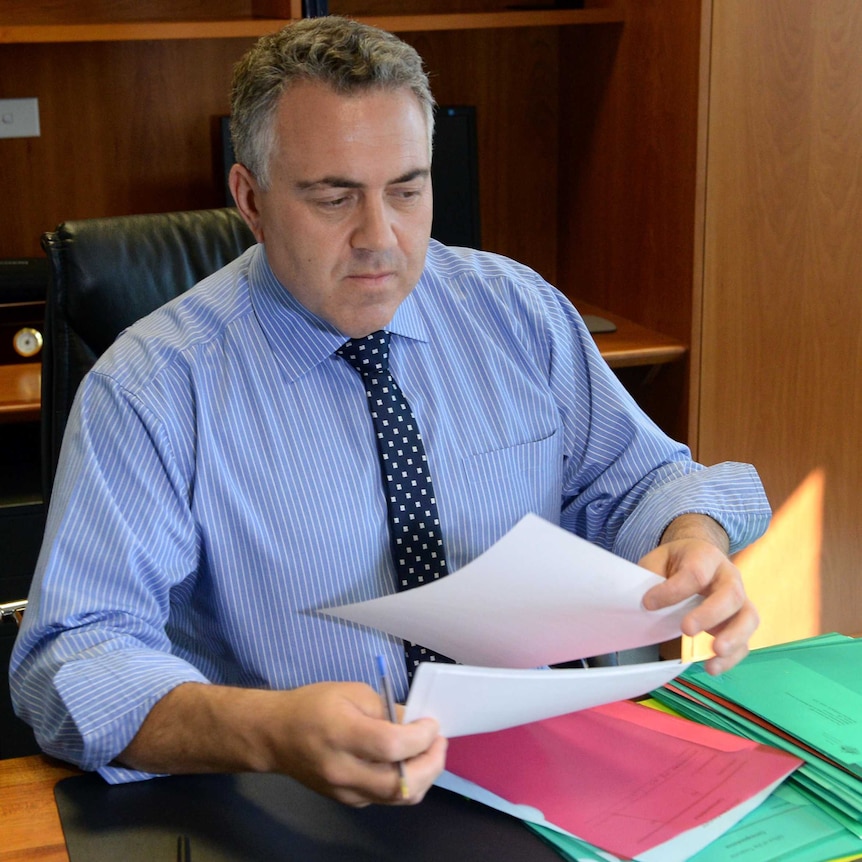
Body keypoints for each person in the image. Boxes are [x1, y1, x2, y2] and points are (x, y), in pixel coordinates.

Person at [11, 16, 770, 808]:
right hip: (285, 805)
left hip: (539, 777)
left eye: (407, 190)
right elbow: (72, 661)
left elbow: (646, 478)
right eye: (334, 197)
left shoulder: (515, 312)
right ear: (250, 199)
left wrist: (692, 540)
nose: (381, 239)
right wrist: (266, 731)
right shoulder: (154, 386)